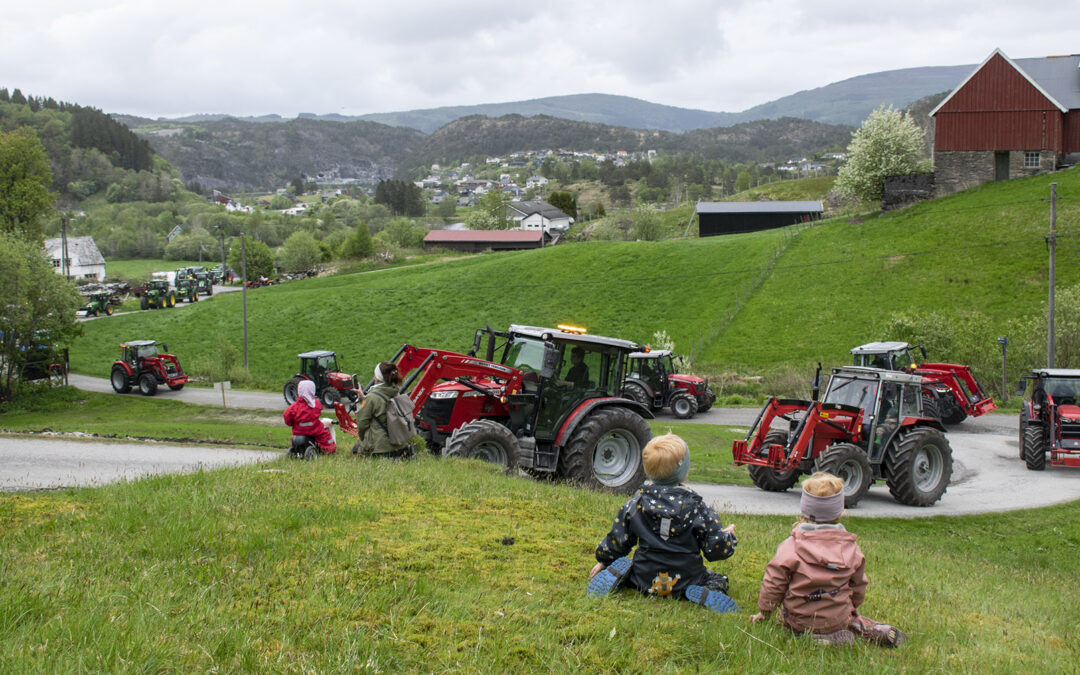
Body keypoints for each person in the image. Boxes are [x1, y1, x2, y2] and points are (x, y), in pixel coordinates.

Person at [750, 472, 907, 646]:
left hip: (797, 622)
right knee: (854, 620)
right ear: (841, 511)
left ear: (804, 509)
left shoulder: (791, 547)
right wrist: (851, 607)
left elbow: (773, 583)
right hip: (836, 621)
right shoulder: (851, 549)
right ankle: (868, 629)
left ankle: (808, 635)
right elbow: (858, 587)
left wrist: (764, 612)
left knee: (788, 620)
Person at [587, 433, 739, 613]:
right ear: (683, 472)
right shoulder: (699, 509)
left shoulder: (636, 505)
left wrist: (604, 560)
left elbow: (618, 540)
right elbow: (716, 550)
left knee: (630, 565)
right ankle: (708, 591)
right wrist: (728, 537)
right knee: (718, 579)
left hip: (644, 577)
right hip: (687, 579)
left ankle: (620, 575)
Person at [352, 361, 413, 459]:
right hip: (400, 445)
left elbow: (362, 424)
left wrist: (363, 440)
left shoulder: (372, 397)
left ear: (378, 377)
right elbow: (380, 405)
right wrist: (363, 398)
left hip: (380, 449)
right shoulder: (395, 392)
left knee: (355, 450)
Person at [282, 379, 336, 453]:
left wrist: (292, 423)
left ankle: (295, 449)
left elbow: (287, 419)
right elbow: (319, 412)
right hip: (314, 429)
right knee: (326, 437)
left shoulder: (294, 407)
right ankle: (330, 449)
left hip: (299, 430)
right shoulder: (315, 403)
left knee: (294, 438)